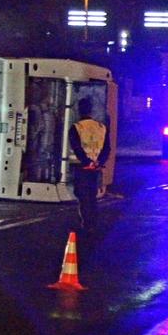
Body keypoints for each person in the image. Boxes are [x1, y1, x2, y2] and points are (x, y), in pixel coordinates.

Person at [68, 96, 111, 233]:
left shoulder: (76, 127)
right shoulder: (101, 127)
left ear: (80, 111)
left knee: (82, 196)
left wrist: (87, 162)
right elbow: (106, 148)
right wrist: (98, 162)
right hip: (95, 168)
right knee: (91, 196)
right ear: (91, 111)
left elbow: (77, 148)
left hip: (82, 168)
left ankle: (87, 224)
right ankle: (93, 223)